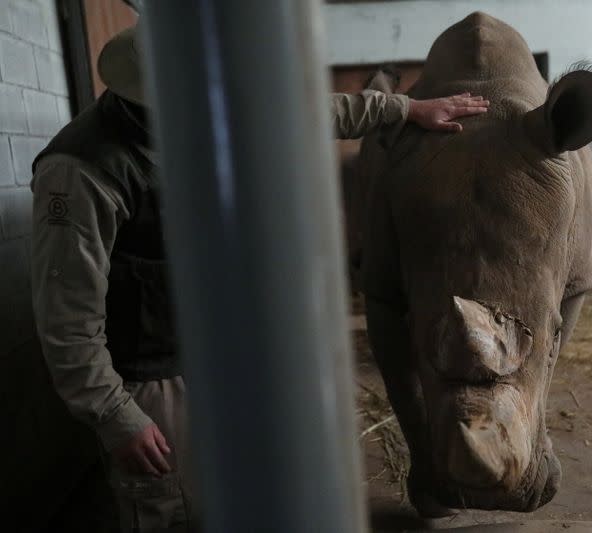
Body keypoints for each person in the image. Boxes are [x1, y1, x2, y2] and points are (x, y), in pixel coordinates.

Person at [30, 27, 489, 532]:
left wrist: (404, 109)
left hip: (223, 351)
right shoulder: (82, 172)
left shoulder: (199, 116)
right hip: (153, 375)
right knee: (174, 506)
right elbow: (68, 320)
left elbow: (305, 112)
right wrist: (114, 413)